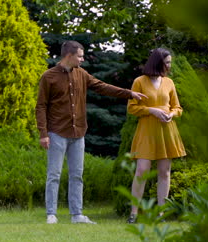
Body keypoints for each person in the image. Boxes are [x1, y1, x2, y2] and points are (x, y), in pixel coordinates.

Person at [36, 40, 147, 224]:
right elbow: (40, 106)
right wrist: (43, 133)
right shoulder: (48, 77)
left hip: (78, 133)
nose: (82, 59)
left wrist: (129, 93)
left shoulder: (82, 74)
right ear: (69, 56)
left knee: (77, 175)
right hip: (56, 132)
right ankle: (51, 214)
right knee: (54, 175)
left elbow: (103, 86)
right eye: (79, 56)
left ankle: (77, 215)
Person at [126, 48, 186, 224]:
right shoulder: (139, 81)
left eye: (170, 62)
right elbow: (131, 108)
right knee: (142, 170)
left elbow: (178, 107)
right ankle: (134, 213)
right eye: (167, 62)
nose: (169, 65)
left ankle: (161, 213)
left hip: (167, 130)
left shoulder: (169, 82)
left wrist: (171, 114)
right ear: (157, 62)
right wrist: (151, 110)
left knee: (164, 172)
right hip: (147, 130)